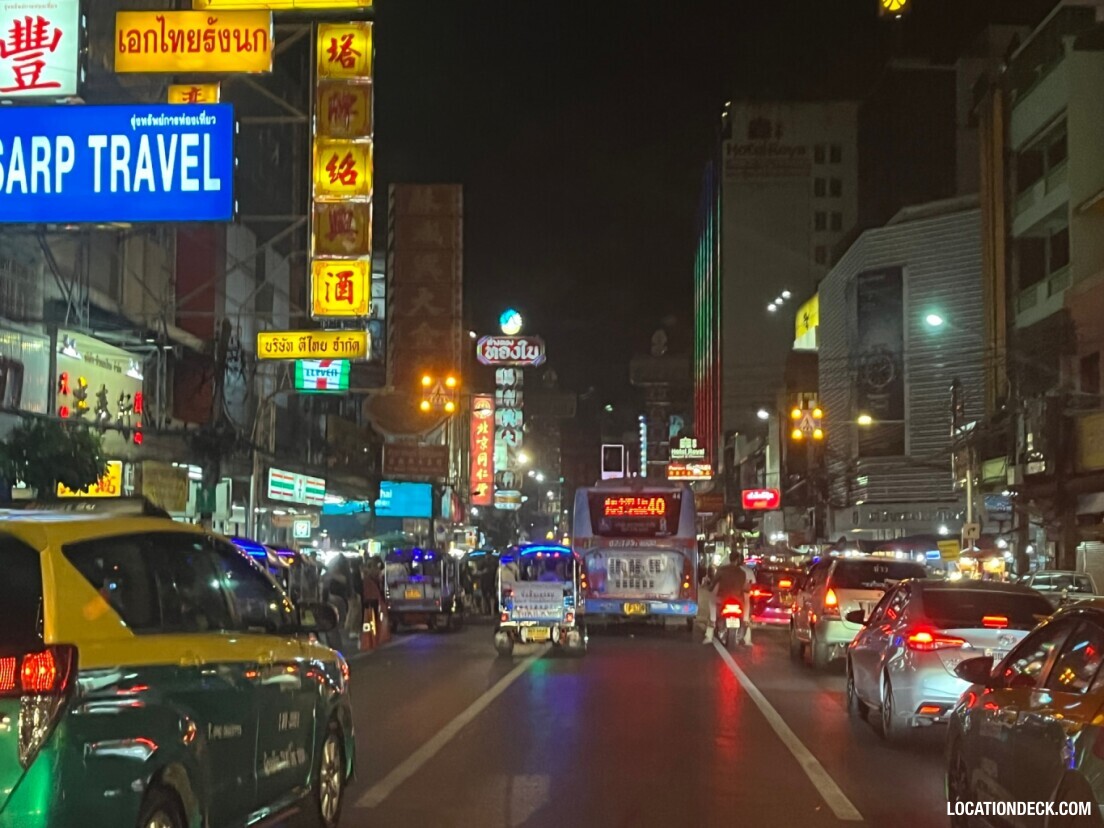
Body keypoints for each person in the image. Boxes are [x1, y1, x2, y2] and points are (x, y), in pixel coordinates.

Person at [705, 552, 750, 644]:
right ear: (738, 560)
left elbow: (713, 584)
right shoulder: (742, 573)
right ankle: (746, 623)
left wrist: (709, 587)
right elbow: (745, 588)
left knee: (711, 601)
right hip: (738, 600)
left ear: (729, 559)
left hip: (723, 599)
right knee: (746, 603)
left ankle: (712, 622)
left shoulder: (722, 570)